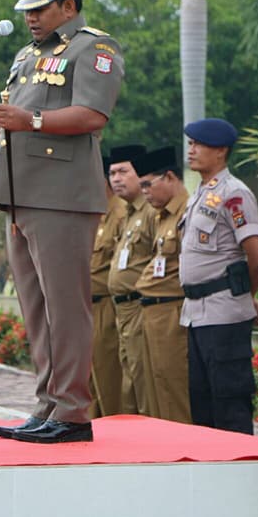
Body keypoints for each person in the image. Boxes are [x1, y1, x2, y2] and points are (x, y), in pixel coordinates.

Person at [0, 0, 124, 443]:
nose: (31, 17)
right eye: (26, 9)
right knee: (36, 308)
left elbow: (91, 114)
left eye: (41, 7)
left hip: (62, 196)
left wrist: (30, 119)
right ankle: (48, 403)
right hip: (19, 194)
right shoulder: (27, 55)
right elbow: (19, 124)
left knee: (65, 307)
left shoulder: (94, 47)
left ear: (68, 6)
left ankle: (71, 412)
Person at [179, 119, 258, 435]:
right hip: (196, 315)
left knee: (229, 404)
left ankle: (239, 475)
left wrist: (246, 296)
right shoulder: (202, 193)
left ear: (220, 151)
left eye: (198, 144)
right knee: (202, 405)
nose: (191, 150)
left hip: (223, 314)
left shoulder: (234, 193)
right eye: (190, 144)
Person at [133, 147, 191, 424]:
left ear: (169, 177)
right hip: (151, 311)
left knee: (173, 387)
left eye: (148, 184)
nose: (144, 192)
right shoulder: (161, 216)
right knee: (154, 387)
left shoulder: (186, 212)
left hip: (171, 310)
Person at [106, 144, 157, 416]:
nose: (116, 178)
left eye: (123, 171)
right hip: (121, 309)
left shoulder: (150, 211)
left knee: (143, 383)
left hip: (139, 307)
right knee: (128, 384)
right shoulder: (128, 213)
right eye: (112, 173)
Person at [88, 156, 127, 417]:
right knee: (89, 384)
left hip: (107, 306)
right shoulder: (94, 214)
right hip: (86, 308)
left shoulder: (121, 213)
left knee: (109, 382)